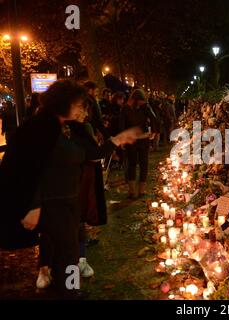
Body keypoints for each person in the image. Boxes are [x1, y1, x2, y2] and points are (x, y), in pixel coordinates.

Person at [0, 80, 140, 298]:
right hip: (52, 203)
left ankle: (66, 289)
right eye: (78, 105)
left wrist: (119, 139)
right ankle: (72, 291)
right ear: (62, 103)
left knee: (66, 250)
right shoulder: (39, 128)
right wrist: (34, 205)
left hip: (70, 200)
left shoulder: (68, 128)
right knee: (69, 252)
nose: (82, 110)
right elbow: (27, 170)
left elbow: (90, 154)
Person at [119, 89, 153, 199]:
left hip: (140, 139)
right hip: (131, 140)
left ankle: (139, 190)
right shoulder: (125, 108)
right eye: (140, 101)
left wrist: (154, 131)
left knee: (142, 164)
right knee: (133, 165)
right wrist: (122, 139)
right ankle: (133, 190)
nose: (140, 104)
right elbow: (122, 124)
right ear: (135, 100)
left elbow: (154, 118)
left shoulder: (143, 108)